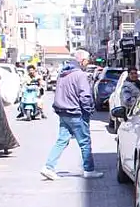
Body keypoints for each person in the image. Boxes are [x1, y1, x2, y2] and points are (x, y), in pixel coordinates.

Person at [41, 49, 103, 180]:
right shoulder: (80, 75)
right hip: (76, 113)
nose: (87, 63)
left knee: (62, 140)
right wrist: (89, 110)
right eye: (87, 61)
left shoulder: (62, 74)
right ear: (82, 60)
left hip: (63, 111)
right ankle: (89, 169)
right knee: (85, 142)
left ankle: (48, 167)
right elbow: (85, 96)